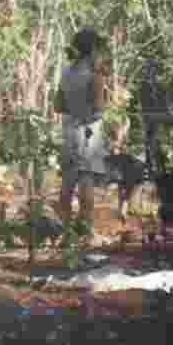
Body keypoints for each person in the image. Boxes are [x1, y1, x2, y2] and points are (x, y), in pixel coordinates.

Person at [54, 28, 110, 233]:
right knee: (86, 181)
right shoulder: (94, 76)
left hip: (69, 129)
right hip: (88, 131)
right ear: (93, 50)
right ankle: (85, 230)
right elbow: (99, 107)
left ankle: (65, 230)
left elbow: (58, 106)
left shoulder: (65, 71)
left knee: (68, 182)